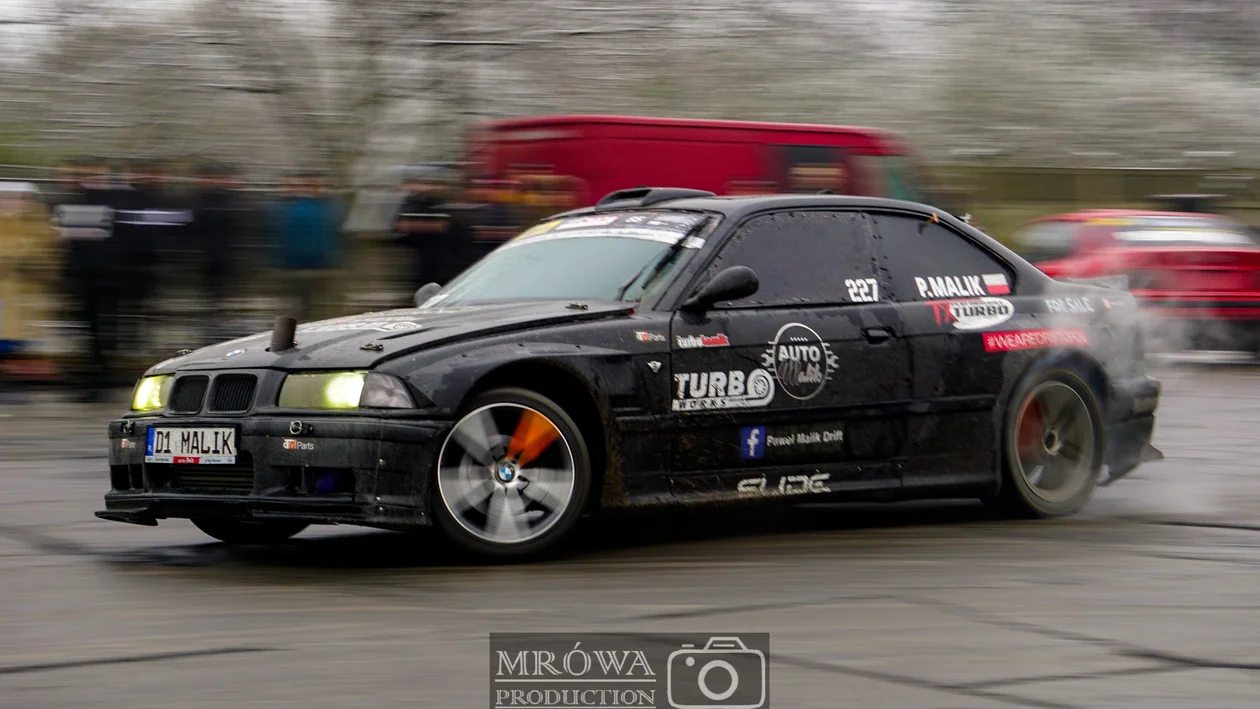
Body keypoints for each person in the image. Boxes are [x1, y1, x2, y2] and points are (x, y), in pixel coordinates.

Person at [53, 157, 123, 401]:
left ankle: (98, 381)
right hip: (93, 277)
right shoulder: (85, 202)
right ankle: (96, 379)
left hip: (96, 277)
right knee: (94, 332)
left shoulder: (92, 203)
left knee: (96, 332)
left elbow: (81, 245)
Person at [0, 182, 58, 399]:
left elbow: (43, 255)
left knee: (13, 337)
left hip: (21, 294)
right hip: (9, 292)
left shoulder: (37, 224)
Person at [269, 172, 343, 322]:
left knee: (319, 306)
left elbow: (336, 235)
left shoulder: (329, 206)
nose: (308, 190)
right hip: (298, 265)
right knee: (301, 306)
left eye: (313, 186)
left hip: (322, 265)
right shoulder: (292, 207)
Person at [189, 163, 241, 335]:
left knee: (219, 295)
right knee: (208, 296)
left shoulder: (229, 201)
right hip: (204, 257)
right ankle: (210, 327)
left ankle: (215, 327)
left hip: (222, 257)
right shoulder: (195, 200)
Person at [392, 167, 457, 290]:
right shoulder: (412, 202)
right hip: (420, 260)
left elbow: (443, 226)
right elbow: (399, 225)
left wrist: (414, 226)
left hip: (441, 259)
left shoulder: (440, 201)